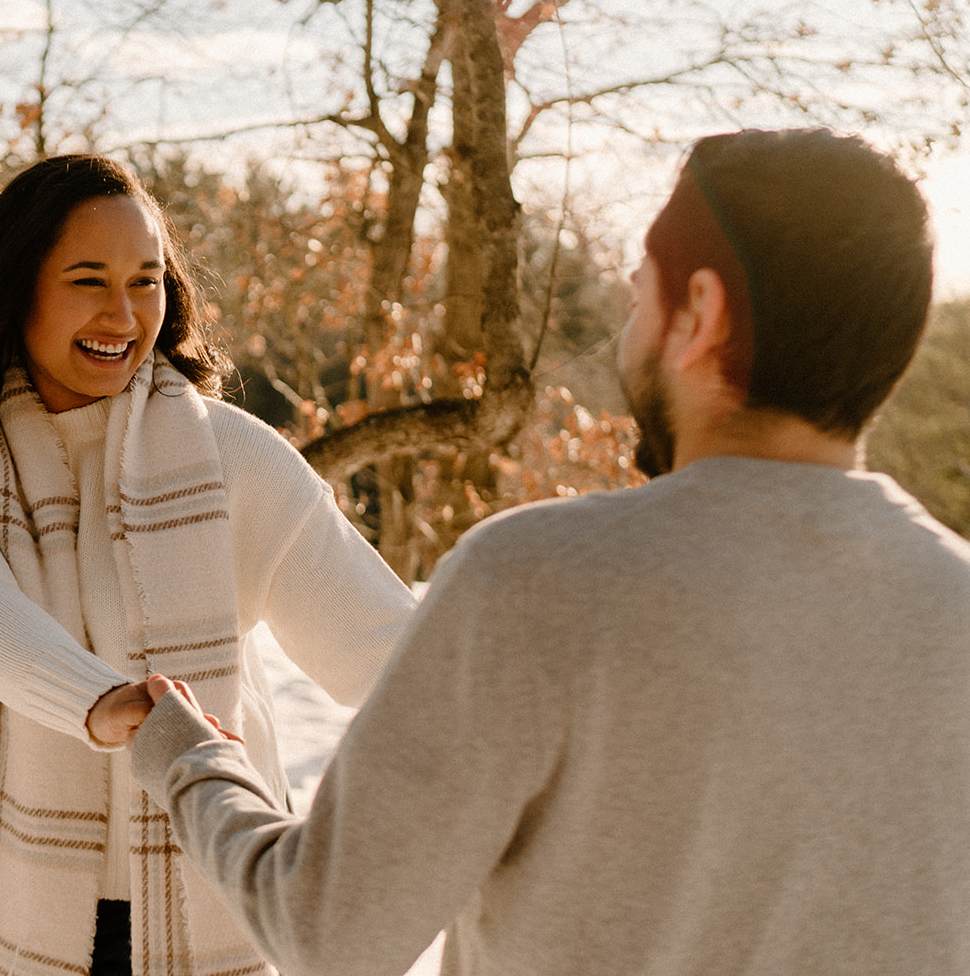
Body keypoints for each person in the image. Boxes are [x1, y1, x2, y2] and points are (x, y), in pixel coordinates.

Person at [129, 127, 970, 976]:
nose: (626, 334)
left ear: (701, 312)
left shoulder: (538, 579)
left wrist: (191, 756)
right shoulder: (955, 603)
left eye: (642, 297)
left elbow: (327, 927)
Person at [0, 154, 415, 976]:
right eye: (89, 280)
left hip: (218, 885)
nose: (122, 314)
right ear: (16, 289)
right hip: (19, 892)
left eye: (146, 281)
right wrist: (100, 702)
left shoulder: (233, 457)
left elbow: (389, 651)